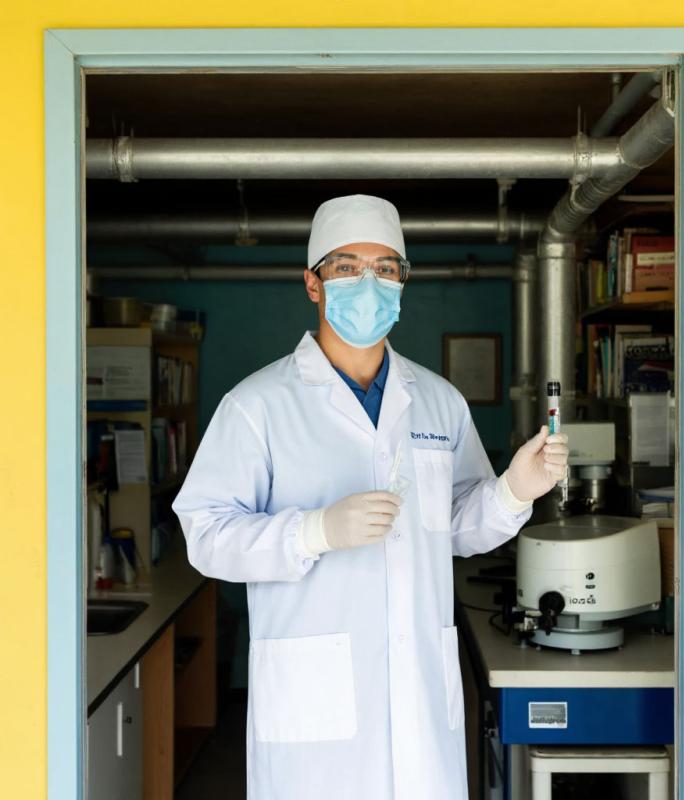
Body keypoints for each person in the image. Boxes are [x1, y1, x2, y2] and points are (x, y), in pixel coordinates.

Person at [172, 194, 569, 800]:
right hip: (313, 714)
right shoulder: (257, 405)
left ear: (402, 282)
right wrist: (314, 531)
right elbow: (205, 536)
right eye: (347, 267)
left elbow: (456, 527)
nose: (368, 283)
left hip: (420, 698)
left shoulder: (438, 400)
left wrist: (515, 490)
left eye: (385, 268)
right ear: (313, 284)